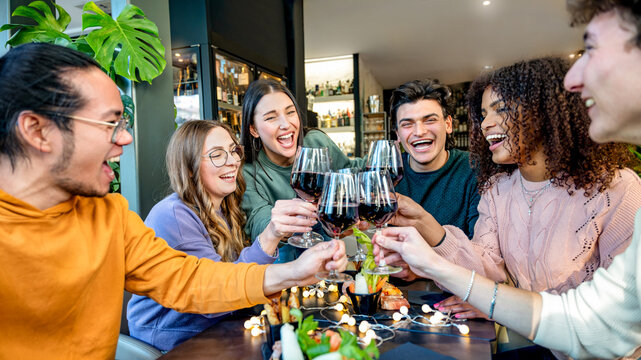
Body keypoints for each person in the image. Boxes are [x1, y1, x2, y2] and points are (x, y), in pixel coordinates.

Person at [0, 43, 347, 358]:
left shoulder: (109, 215)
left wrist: (294, 271)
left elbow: (189, 280)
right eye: (109, 123)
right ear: (37, 130)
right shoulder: (169, 213)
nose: (126, 138)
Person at [373, 2, 641, 358]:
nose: (485, 125)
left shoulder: (617, 189)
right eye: (482, 114)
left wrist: (496, 303)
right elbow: (489, 268)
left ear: (545, 111)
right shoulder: (499, 189)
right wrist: (427, 227)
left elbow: (612, 323)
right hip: (527, 344)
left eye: (500, 109)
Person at [127, 120, 303, 351]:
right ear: (189, 167)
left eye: (233, 151)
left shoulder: (225, 207)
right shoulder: (174, 216)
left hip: (216, 330)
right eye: (217, 155)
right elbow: (215, 299)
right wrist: (271, 235)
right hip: (171, 344)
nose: (232, 161)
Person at [240, 79, 363, 262]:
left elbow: (352, 171)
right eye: (271, 117)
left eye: (290, 112)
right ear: (253, 129)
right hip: (282, 271)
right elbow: (260, 224)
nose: (286, 124)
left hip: (330, 262)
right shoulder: (248, 170)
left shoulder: (315, 143)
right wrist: (280, 224)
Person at [390, 80, 480, 241]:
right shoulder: (387, 175)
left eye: (430, 120)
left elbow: (482, 253)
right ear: (397, 134)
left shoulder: (475, 170)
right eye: (407, 124)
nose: (419, 131)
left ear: (448, 124)